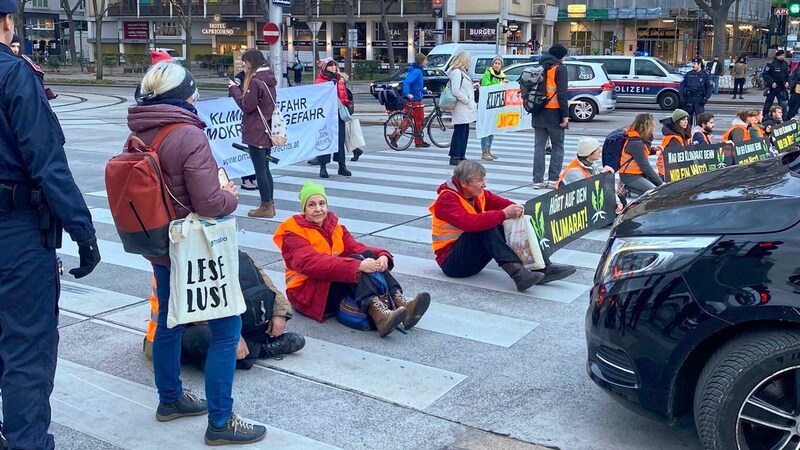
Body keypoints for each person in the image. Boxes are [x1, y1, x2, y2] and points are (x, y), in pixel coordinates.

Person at [130, 62, 266, 444]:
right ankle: (221, 422)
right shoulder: (188, 134)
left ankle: (170, 400)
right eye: (193, 92)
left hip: (159, 244)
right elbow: (208, 201)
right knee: (226, 329)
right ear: (184, 96)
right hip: (194, 248)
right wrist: (230, 198)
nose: (196, 98)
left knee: (170, 323)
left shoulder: (142, 130)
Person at [0, 4, 101, 448]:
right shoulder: (14, 74)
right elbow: (46, 163)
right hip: (15, 230)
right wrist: (82, 229)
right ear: (6, 22)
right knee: (26, 346)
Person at [273, 181, 431, 337]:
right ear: (304, 209)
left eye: (322, 203)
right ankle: (379, 313)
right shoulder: (293, 232)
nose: (318, 209)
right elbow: (311, 263)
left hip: (327, 281)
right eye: (312, 205)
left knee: (366, 256)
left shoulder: (333, 225)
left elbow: (356, 247)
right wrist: (357, 266)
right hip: (306, 292)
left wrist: (382, 255)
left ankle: (400, 301)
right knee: (356, 263)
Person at [144, 252, 305, 372]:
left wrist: (280, 313)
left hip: (222, 323)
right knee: (207, 339)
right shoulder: (177, 263)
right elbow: (197, 312)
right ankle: (263, 350)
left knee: (253, 316)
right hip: (170, 339)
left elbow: (266, 284)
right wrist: (232, 335)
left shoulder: (230, 252)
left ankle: (242, 348)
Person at [430, 161, 576, 292]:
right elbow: (470, 223)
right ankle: (518, 274)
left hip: (470, 257)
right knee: (486, 224)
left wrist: (519, 209)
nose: (484, 184)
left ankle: (541, 267)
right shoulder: (447, 199)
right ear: (464, 183)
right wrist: (504, 214)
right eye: (480, 180)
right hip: (453, 263)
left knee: (502, 221)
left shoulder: (475, 192)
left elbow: (501, 203)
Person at [229, 49, 278, 219]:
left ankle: (266, 206)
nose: (243, 65)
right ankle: (270, 203)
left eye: (245, 62)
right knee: (265, 168)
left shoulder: (256, 82)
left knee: (260, 170)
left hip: (256, 131)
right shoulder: (269, 79)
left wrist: (234, 89)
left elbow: (246, 106)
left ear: (252, 62)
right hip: (266, 129)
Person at [532, 44, 569, 189]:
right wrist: (565, 116)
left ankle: (537, 180)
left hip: (538, 112)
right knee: (558, 146)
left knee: (539, 148)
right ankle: (553, 179)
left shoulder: (539, 66)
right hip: (554, 113)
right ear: (561, 56)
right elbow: (562, 94)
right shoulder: (560, 68)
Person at [555, 137, 623, 214]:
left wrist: (616, 201)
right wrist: (602, 176)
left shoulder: (592, 165)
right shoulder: (574, 171)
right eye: (597, 149)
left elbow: (604, 187)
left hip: (582, 202)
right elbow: (588, 193)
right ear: (589, 153)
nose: (600, 151)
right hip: (569, 209)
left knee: (620, 200)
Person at [315, 57, 352, 178]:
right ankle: (323, 167)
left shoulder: (339, 78)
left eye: (334, 65)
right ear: (325, 67)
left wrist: (347, 102)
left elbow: (343, 93)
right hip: (326, 114)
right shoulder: (320, 81)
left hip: (339, 112)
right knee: (325, 139)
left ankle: (342, 165)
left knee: (340, 139)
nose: (333, 67)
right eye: (330, 65)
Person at [618, 113, 663, 193]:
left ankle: (630, 188)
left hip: (638, 174)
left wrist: (653, 150)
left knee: (656, 189)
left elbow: (639, 154)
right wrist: (661, 183)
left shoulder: (639, 138)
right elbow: (646, 167)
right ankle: (628, 187)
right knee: (653, 193)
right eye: (653, 122)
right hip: (630, 176)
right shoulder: (636, 143)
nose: (655, 125)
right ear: (646, 125)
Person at [446, 51, 478, 166]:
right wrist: (467, 100)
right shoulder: (456, 72)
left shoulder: (463, 72)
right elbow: (455, 90)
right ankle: (455, 155)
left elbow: (463, 88)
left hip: (465, 106)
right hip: (461, 106)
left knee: (464, 131)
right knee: (460, 131)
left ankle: (461, 154)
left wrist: (473, 88)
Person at [233, 66, 258, 192]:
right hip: (241, 116)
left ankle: (253, 176)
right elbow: (234, 93)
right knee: (244, 150)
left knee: (252, 151)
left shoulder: (257, 76)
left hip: (252, 119)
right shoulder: (240, 77)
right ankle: (246, 179)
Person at [479, 55, 507, 161]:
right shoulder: (488, 74)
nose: (497, 65)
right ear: (492, 64)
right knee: (486, 129)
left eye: (499, 63)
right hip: (487, 105)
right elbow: (487, 87)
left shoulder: (503, 76)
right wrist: (499, 85)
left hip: (496, 106)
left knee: (492, 129)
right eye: (495, 63)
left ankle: (489, 150)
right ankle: (484, 151)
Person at [402, 52, 431, 148]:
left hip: (413, 98)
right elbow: (406, 82)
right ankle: (419, 142)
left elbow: (417, 86)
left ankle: (395, 137)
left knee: (408, 120)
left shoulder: (416, 70)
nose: (427, 61)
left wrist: (426, 92)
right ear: (421, 61)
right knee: (419, 121)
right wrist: (407, 93)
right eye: (425, 60)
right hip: (415, 99)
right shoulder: (417, 71)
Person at [657, 109, 692, 179]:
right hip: (669, 173)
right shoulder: (674, 138)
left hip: (672, 171)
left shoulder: (680, 134)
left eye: (687, 119)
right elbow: (680, 157)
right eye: (683, 120)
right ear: (677, 122)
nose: (686, 122)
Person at [679, 57, 712, 128]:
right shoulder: (688, 74)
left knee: (700, 120)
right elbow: (681, 86)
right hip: (689, 99)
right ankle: (688, 135)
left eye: (695, 64)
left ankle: (698, 134)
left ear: (699, 64)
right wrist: (681, 98)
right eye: (693, 63)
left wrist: (705, 98)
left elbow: (709, 87)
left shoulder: (705, 75)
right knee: (687, 120)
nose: (693, 65)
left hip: (699, 99)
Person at [762, 50, 790, 118]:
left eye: (783, 55)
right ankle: (765, 116)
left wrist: (787, 82)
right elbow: (765, 74)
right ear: (777, 56)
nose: (782, 57)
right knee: (768, 103)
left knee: (783, 104)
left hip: (781, 87)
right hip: (773, 87)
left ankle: (785, 118)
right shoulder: (771, 64)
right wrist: (772, 82)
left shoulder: (785, 64)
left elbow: (788, 75)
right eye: (781, 55)